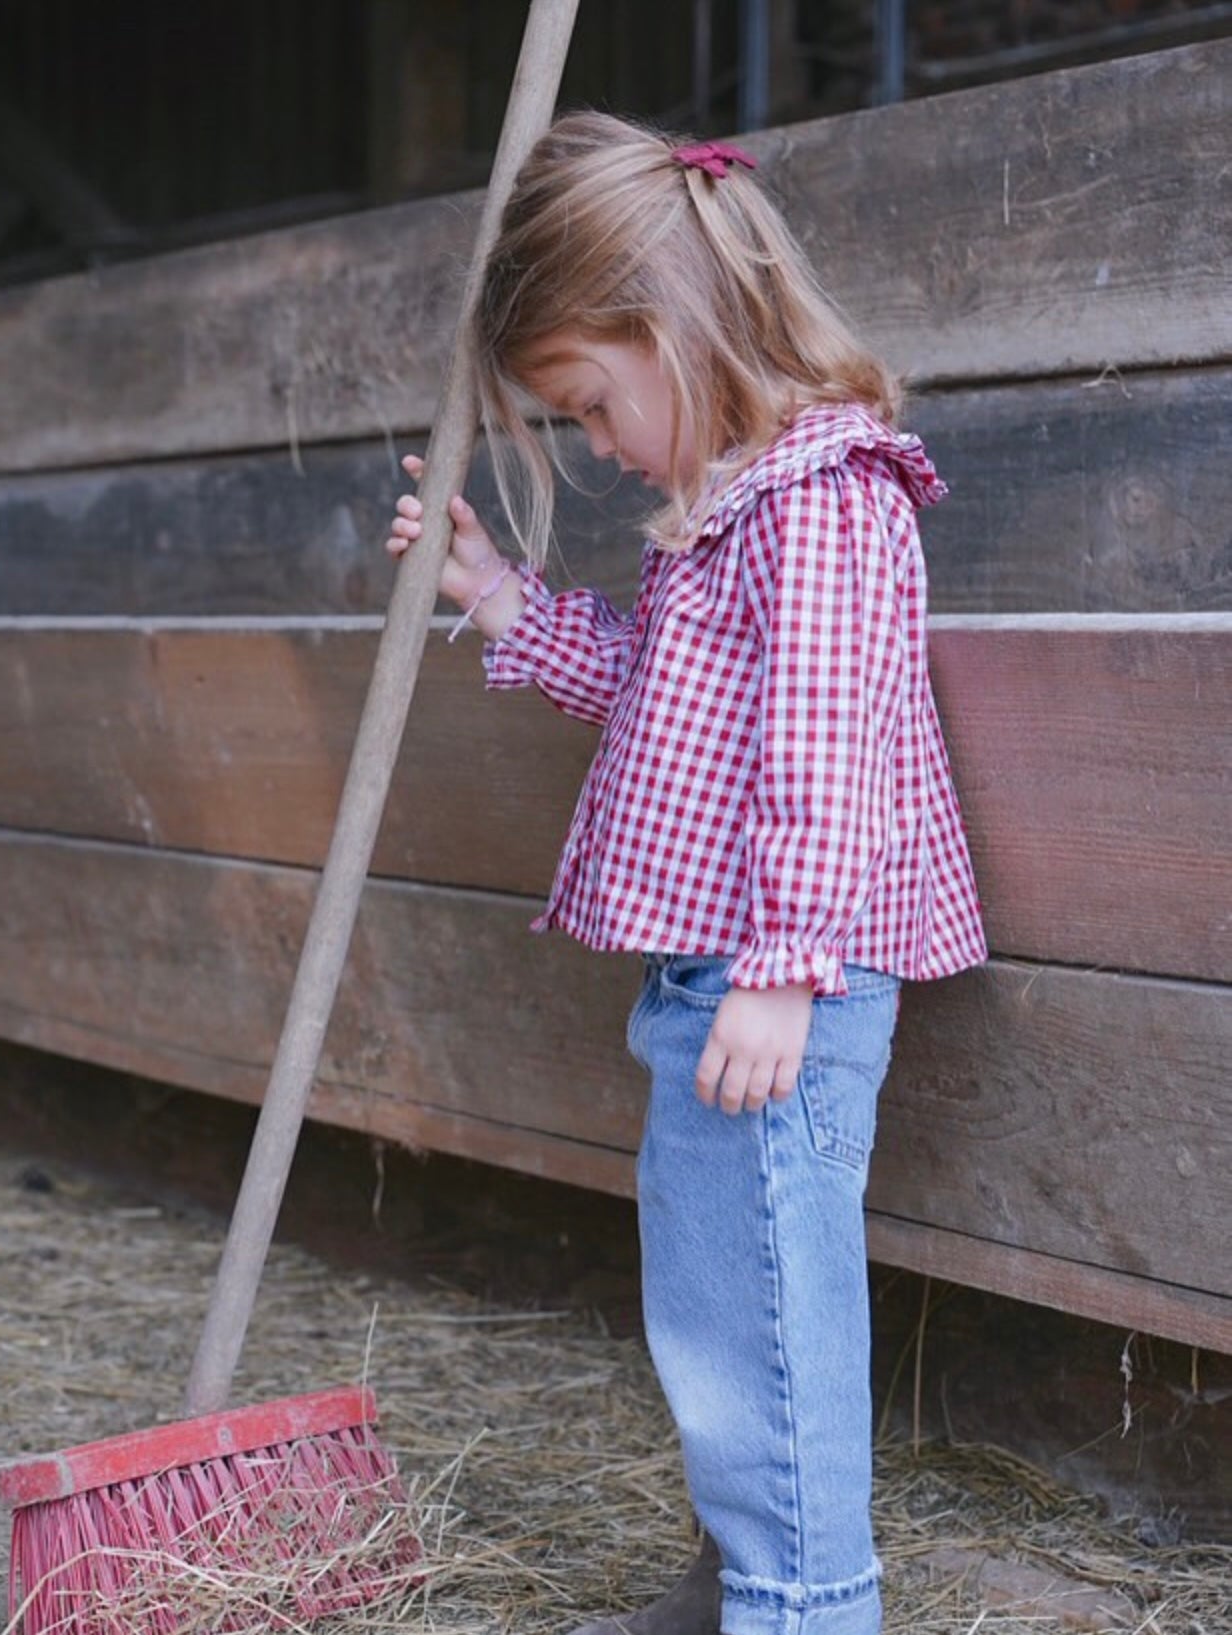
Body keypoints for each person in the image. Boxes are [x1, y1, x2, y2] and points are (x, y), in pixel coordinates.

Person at [387, 111, 986, 1635]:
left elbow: (832, 752)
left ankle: (806, 1607)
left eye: (590, 402)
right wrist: (501, 599)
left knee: (773, 1325)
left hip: (782, 983)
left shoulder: (828, 504)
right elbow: (664, 700)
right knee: (721, 1317)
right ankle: (748, 1584)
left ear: (671, 329)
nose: (595, 445)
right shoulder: (726, 519)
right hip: (720, 986)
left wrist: (787, 967)